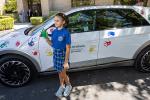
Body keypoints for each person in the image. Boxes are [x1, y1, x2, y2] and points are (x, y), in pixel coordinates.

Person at [45, 13, 72, 98]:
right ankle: (62, 86)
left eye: (57, 20)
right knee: (59, 72)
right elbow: (52, 44)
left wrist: (66, 61)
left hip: (63, 54)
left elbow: (68, 48)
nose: (55, 22)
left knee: (63, 73)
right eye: (54, 20)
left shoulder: (66, 33)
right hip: (56, 54)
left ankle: (68, 85)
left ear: (63, 22)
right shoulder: (54, 31)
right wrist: (46, 38)